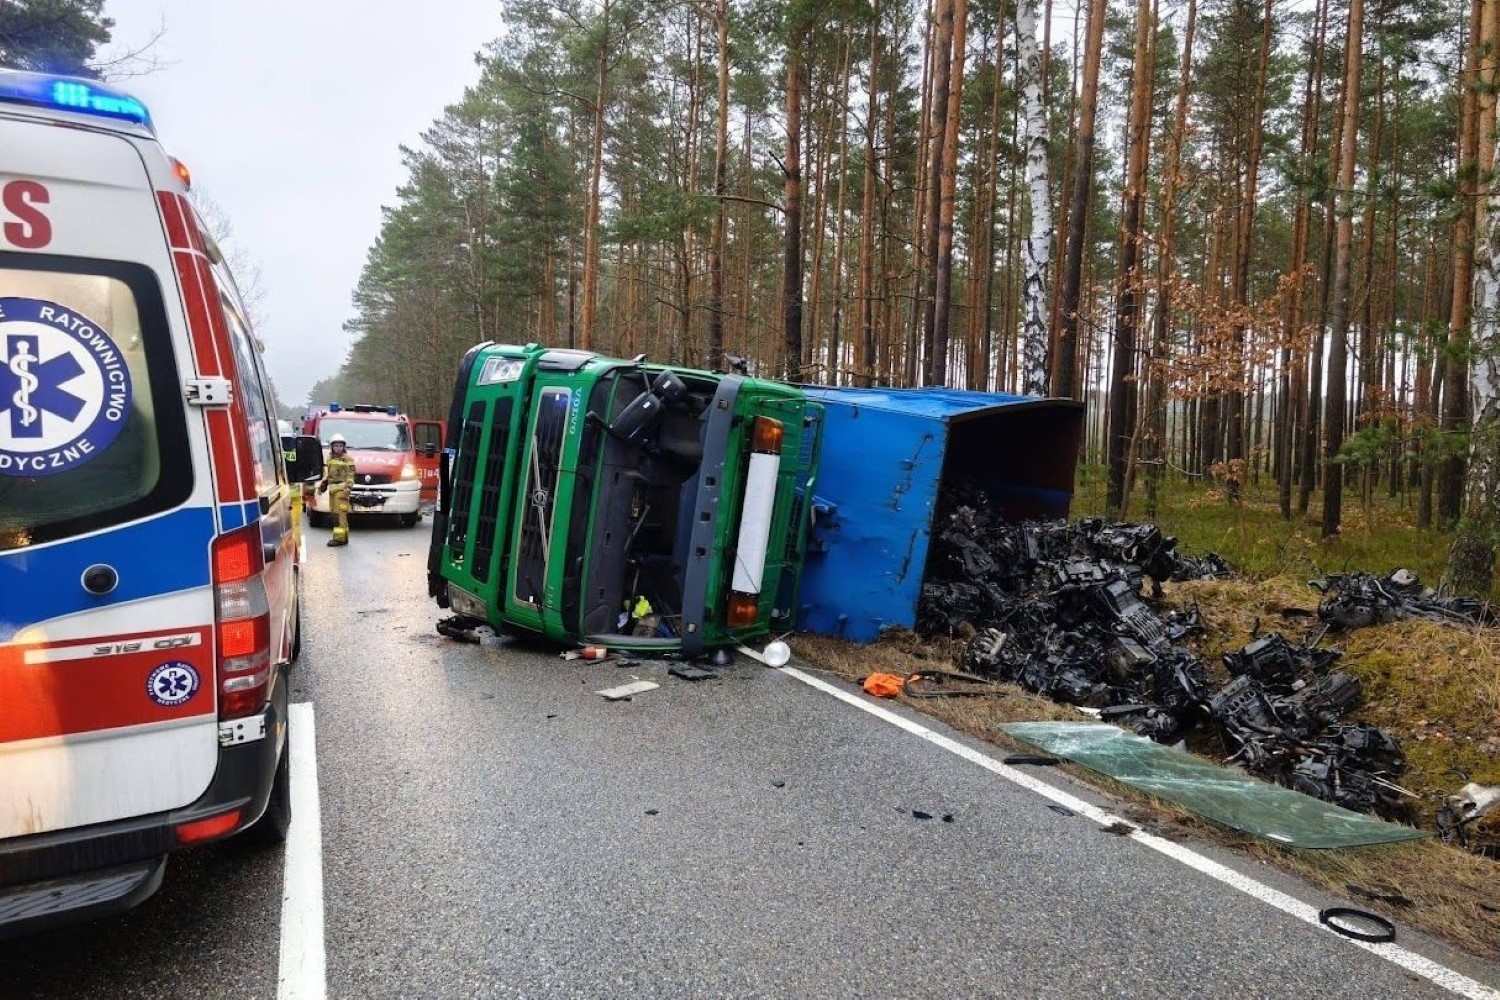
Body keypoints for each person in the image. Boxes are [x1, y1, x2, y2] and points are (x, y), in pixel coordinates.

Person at [317, 433, 355, 547]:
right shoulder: (330, 459)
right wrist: (322, 486)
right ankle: (343, 536)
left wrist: (348, 488)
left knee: (339, 515)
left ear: (344, 447)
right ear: (332, 447)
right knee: (334, 515)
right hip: (332, 490)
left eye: (340, 446)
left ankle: (340, 539)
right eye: (336, 446)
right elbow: (329, 475)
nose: (338, 448)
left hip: (342, 490)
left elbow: (350, 476)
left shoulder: (348, 459)